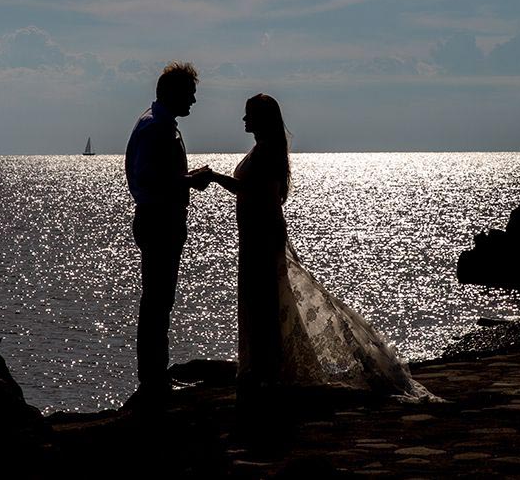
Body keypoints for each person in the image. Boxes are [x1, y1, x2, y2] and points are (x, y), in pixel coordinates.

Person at [209, 94, 433, 400]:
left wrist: (213, 177)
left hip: (262, 238)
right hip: (252, 237)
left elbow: (254, 191)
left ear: (262, 119)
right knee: (260, 305)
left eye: (249, 115)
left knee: (265, 306)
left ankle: (268, 372)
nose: (243, 120)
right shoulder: (261, 150)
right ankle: (263, 370)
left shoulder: (267, 153)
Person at [125, 61, 212, 400]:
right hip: (158, 219)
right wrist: (190, 180)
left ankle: (154, 377)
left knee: (159, 301)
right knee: (157, 302)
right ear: (172, 93)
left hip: (160, 218)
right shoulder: (156, 127)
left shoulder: (159, 123)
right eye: (189, 94)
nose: (193, 100)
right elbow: (148, 178)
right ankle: (153, 380)